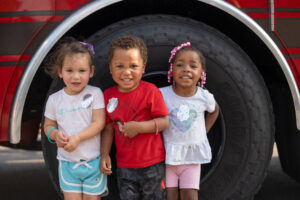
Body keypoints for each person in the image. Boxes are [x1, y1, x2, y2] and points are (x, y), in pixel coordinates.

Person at [100, 35, 169, 200]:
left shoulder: (150, 91)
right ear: (110, 68)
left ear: (143, 68)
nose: (126, 72)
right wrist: (104, 154)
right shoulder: (108, 95)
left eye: (133, 66)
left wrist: (139, 128)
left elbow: (165, 121)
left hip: (152, 165)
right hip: (124, 166)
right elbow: (109, 127)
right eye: (119, 66)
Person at [43, 37, 108, 200]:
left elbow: (99, 122)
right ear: (60, 72)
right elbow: (48, 125)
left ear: (91, 71)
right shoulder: (54, 99)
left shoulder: (95, 94)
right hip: (67, 165)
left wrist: (78, 138)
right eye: (69, 71)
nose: (76, 77)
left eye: (82, 71)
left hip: (92, 163)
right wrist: (55, 135)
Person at [160, 42, 219, 200]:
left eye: (193, 66)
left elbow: (215, 110)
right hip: (167, 156)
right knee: (169, 195)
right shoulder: (162, 95)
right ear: (172, 70)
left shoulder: (203, 97)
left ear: (201, 73)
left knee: (190, 195)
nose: (186, 69)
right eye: (180, 65)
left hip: (192, 157)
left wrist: (203, 131)